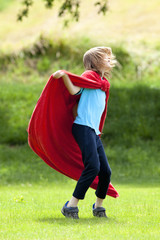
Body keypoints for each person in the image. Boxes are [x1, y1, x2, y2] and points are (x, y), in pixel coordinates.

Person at [53, 46, 116, 219]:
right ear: (96, 62)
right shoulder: (88, 77)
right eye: (106, 58)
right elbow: (74, 90)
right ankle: (71, 206)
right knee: (93, 166)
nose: (110, 61)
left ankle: (98, 207)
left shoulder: (104, 84)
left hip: (93, 131)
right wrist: (65, 76)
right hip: (82, 127)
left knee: (105, 171)